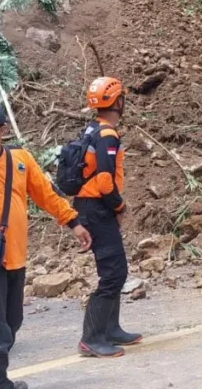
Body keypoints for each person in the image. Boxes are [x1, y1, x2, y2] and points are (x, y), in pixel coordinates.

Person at [0, 91, 91, 389]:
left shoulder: (19, 159)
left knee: (10, 324)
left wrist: (72, 221)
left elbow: (45, 193)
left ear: (2, 130)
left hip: (14, 258)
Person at [74, 77, 141, 358]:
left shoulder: (93, 129)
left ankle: (110, 329)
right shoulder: (107, 135)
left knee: (115, 270)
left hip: (89, 206)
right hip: (97, 208)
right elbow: (104, 180)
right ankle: (91, 338)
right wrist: (119, 207)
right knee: (113, 273)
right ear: (118, 101)